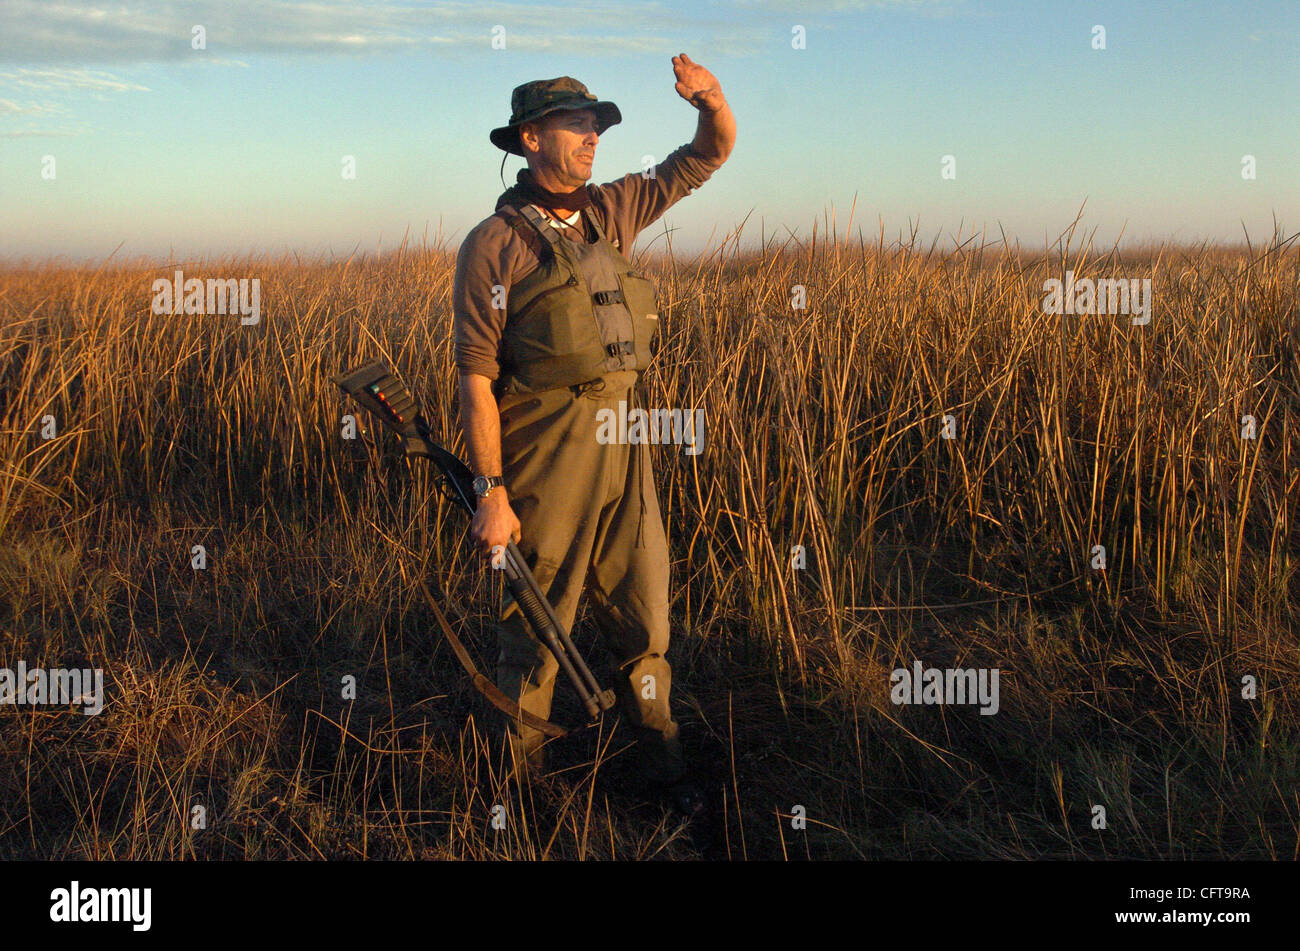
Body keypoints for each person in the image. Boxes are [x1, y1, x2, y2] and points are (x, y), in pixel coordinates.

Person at [451, 56, 735, 816]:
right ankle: (516, 789)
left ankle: (661, 759)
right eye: (578, 125)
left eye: (597, 125)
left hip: (625, 433)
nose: (593, 137)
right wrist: (492, 492)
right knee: (538, 620)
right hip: (547, 446)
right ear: (530, 137)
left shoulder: (613, 210)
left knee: (645, 609)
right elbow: (476, 380)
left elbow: (708, 154)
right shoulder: (493, 246)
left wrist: (709, 99)